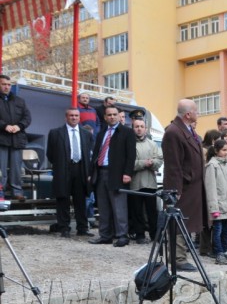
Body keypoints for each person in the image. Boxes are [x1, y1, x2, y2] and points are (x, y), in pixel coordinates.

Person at [162, 100, 207, 272]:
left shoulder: (187, 129)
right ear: (188, 114)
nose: (198, 113)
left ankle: (181, 256)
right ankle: (178, 259)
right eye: (196, 110)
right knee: (178, 222)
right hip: (183, 188)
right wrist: (175, 191)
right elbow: (173, 165)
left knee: (186, 222)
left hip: (192, 186)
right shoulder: (173, 132)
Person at [88, 106, 136, 247]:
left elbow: (131, 155)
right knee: (103, 207)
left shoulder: (127, 132)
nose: (112, 117)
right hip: (101, 172)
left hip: (117, 174)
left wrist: (127, 173)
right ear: (105, 117)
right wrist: (91, 173)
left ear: (119, 116)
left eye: (115, 114)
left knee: (119, 207)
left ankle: (122, 236)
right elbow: (96, 153)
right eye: (109, 115)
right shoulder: (102, 132)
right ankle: (105, 235)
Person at [46, 108, 94, 237]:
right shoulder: (55, 133)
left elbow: (90, 154)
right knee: (63, 199)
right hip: (63, 168)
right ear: (66, 117)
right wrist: (60, 164)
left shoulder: (86, 134)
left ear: (79, 118)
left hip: (81, 169)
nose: (74, 118)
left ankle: (82, 228)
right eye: (71, 115)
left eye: (76, 116)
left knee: (81, 200)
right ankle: (64, 228)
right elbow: (50, 154)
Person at [205, 138, 227, 265]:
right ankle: (218, 252)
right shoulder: (212, 166)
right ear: (216, 151)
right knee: (218, 230)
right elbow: (211, 188)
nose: (226, 152)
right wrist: (213, 207)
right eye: (223, 150)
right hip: (219, 205)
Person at [129, 116, 163, 244]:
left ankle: (155, 235)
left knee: (152, 211)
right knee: (137, 211)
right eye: (136, 126)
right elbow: (129, 163)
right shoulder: (130, 144)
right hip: (135, 182)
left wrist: (152, 163)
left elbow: (159, 160)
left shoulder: (152, 144)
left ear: (146, 129)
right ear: (133, 128)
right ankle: (140, 235)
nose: (139, 129)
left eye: (141, 127)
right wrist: (145, 163)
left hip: (150, 182)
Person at [0, 74, 32, 200]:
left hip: (17, 139)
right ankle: (0, 192)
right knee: (0, 169)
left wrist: (19, 126)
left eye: (9, 85)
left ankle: (16, 192)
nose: (7, 87)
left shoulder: (19, 101)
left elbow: (27, 117)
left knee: (16, 168)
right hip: (1, 139)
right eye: (4, 84)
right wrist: (4, 126)